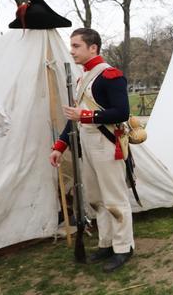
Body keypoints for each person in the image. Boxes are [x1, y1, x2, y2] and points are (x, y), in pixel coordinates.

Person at [49, 28, 134, 273]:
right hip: (88, 144)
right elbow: (73, 119)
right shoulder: (82, 79)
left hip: (107, 144)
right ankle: (106, 243)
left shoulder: (110, 76)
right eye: (72, 45)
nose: (72, 50)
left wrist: (86, 115)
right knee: (97, 199)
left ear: (93, 48)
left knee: (115, 199)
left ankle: (123, 246)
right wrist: (60, 145)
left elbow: (122, 112)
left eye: (76, 46)